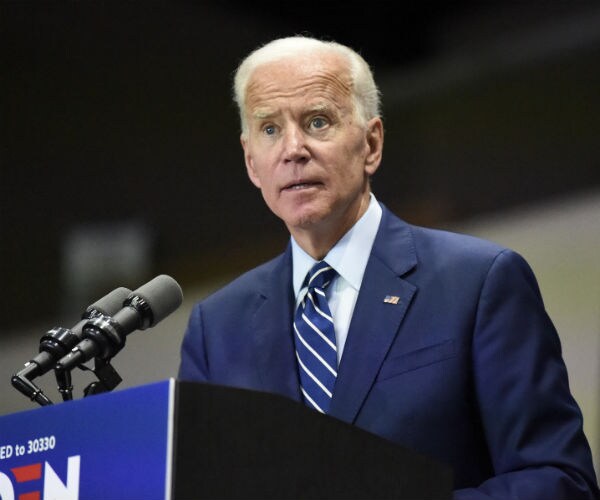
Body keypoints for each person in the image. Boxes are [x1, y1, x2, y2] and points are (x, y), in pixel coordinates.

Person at [178, 36, 599, 498]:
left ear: (372, 144)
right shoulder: (216, 328)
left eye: (317, 121)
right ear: (251, 162)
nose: (292, 149)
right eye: (270, 129)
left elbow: (559, 481)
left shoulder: (479, 282)